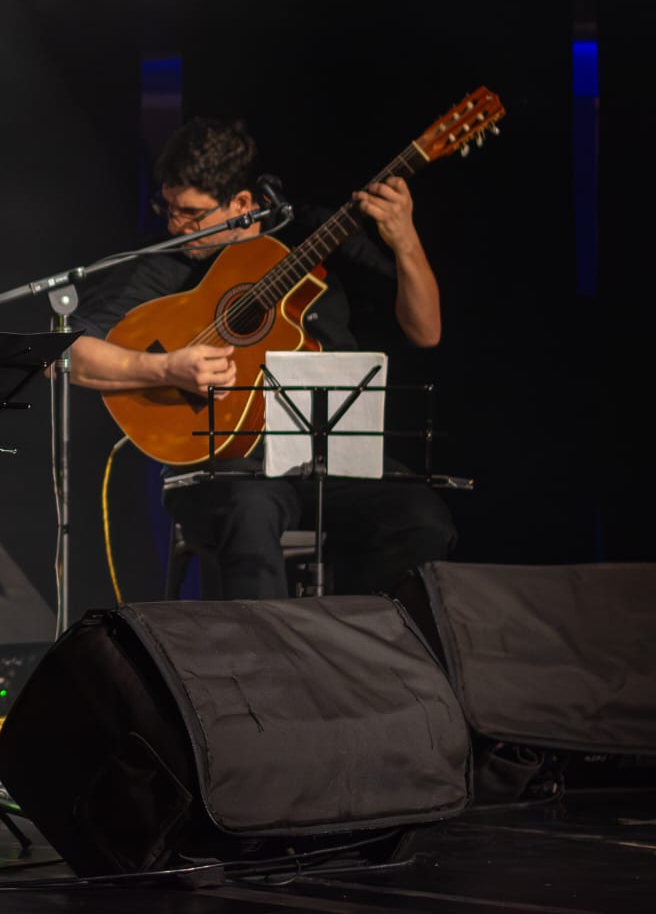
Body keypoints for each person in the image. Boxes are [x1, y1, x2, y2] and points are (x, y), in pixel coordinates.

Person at [69, 117, 456, 599]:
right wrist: (166, 368)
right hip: (229, 466)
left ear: (243, 204)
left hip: (333, 459)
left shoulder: (315, 233)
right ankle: (265, 669)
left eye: (191, 214)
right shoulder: (169, 260)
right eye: (167, 208)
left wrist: (406, 242)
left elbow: (427, 332)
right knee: (249, 515)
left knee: (419, 516)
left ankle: (371, 659)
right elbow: (70, 352)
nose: (174, 226)